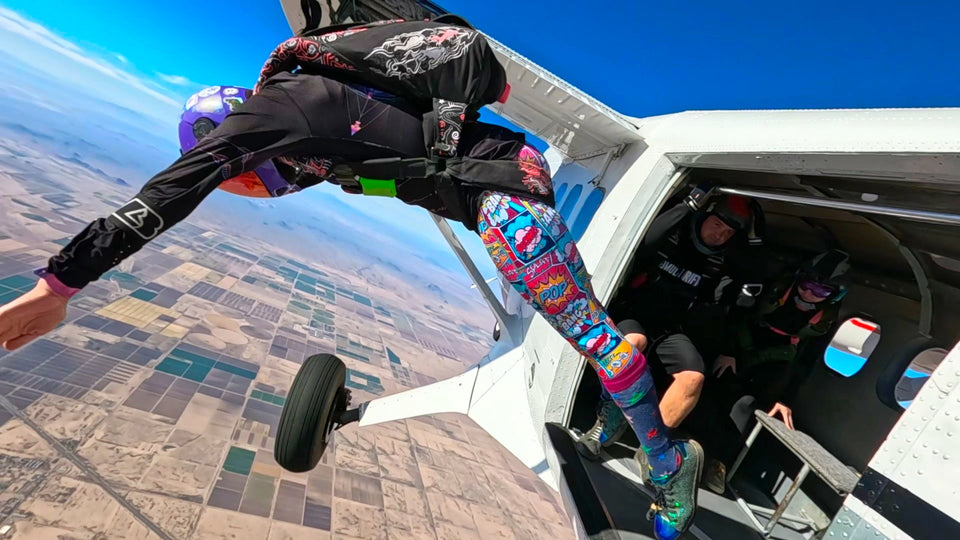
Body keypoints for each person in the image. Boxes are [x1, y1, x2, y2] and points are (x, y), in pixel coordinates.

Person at [0, 15, 700, 540]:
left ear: (228, 139)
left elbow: (169, 192)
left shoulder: (277, 111)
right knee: (596, 332)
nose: (249, 192)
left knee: (594, 338)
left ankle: (668, 465)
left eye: (237, 181)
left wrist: (60, 284)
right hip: (504, 182)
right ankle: (626, 405)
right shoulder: (314, 127)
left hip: (501, 194)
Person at [576, 188, 756, 462]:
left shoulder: (720, 263)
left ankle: (653, 452)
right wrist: (689, 203)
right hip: (633, 314)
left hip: (669, 328)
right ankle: (605, 425)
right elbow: (645, 242)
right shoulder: (674, 234)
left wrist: (728, 347)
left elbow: (730, 307)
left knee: (693, 377)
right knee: (633, 344)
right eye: (717, 224)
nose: (720, 235)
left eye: (728, 232)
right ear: (703, 217)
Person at [693, 249, 849, 492]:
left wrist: (784, 399)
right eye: (807, 284)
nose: (808, 293)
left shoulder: (825, 319)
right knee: (717, 384)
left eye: (821, 291)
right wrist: (728, 350)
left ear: (834, 295)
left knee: (748, 404)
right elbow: (736, 313)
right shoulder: (774, 289)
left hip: (777, 359)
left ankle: (719, 461)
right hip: (741, 342)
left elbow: (806, 361)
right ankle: (690, 440)